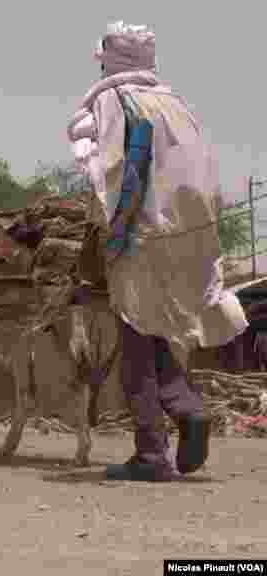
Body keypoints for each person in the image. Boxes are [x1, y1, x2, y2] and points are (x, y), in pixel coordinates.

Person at [68, 22, 249, 481]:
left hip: (143, 236)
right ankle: (188, 409)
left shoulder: (115, 102)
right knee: (159, 334)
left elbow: (111, 173)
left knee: (134, 343)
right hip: (191, 236)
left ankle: (151, 455)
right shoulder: (177, 104)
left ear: (113, 58)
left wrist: (109, 235)